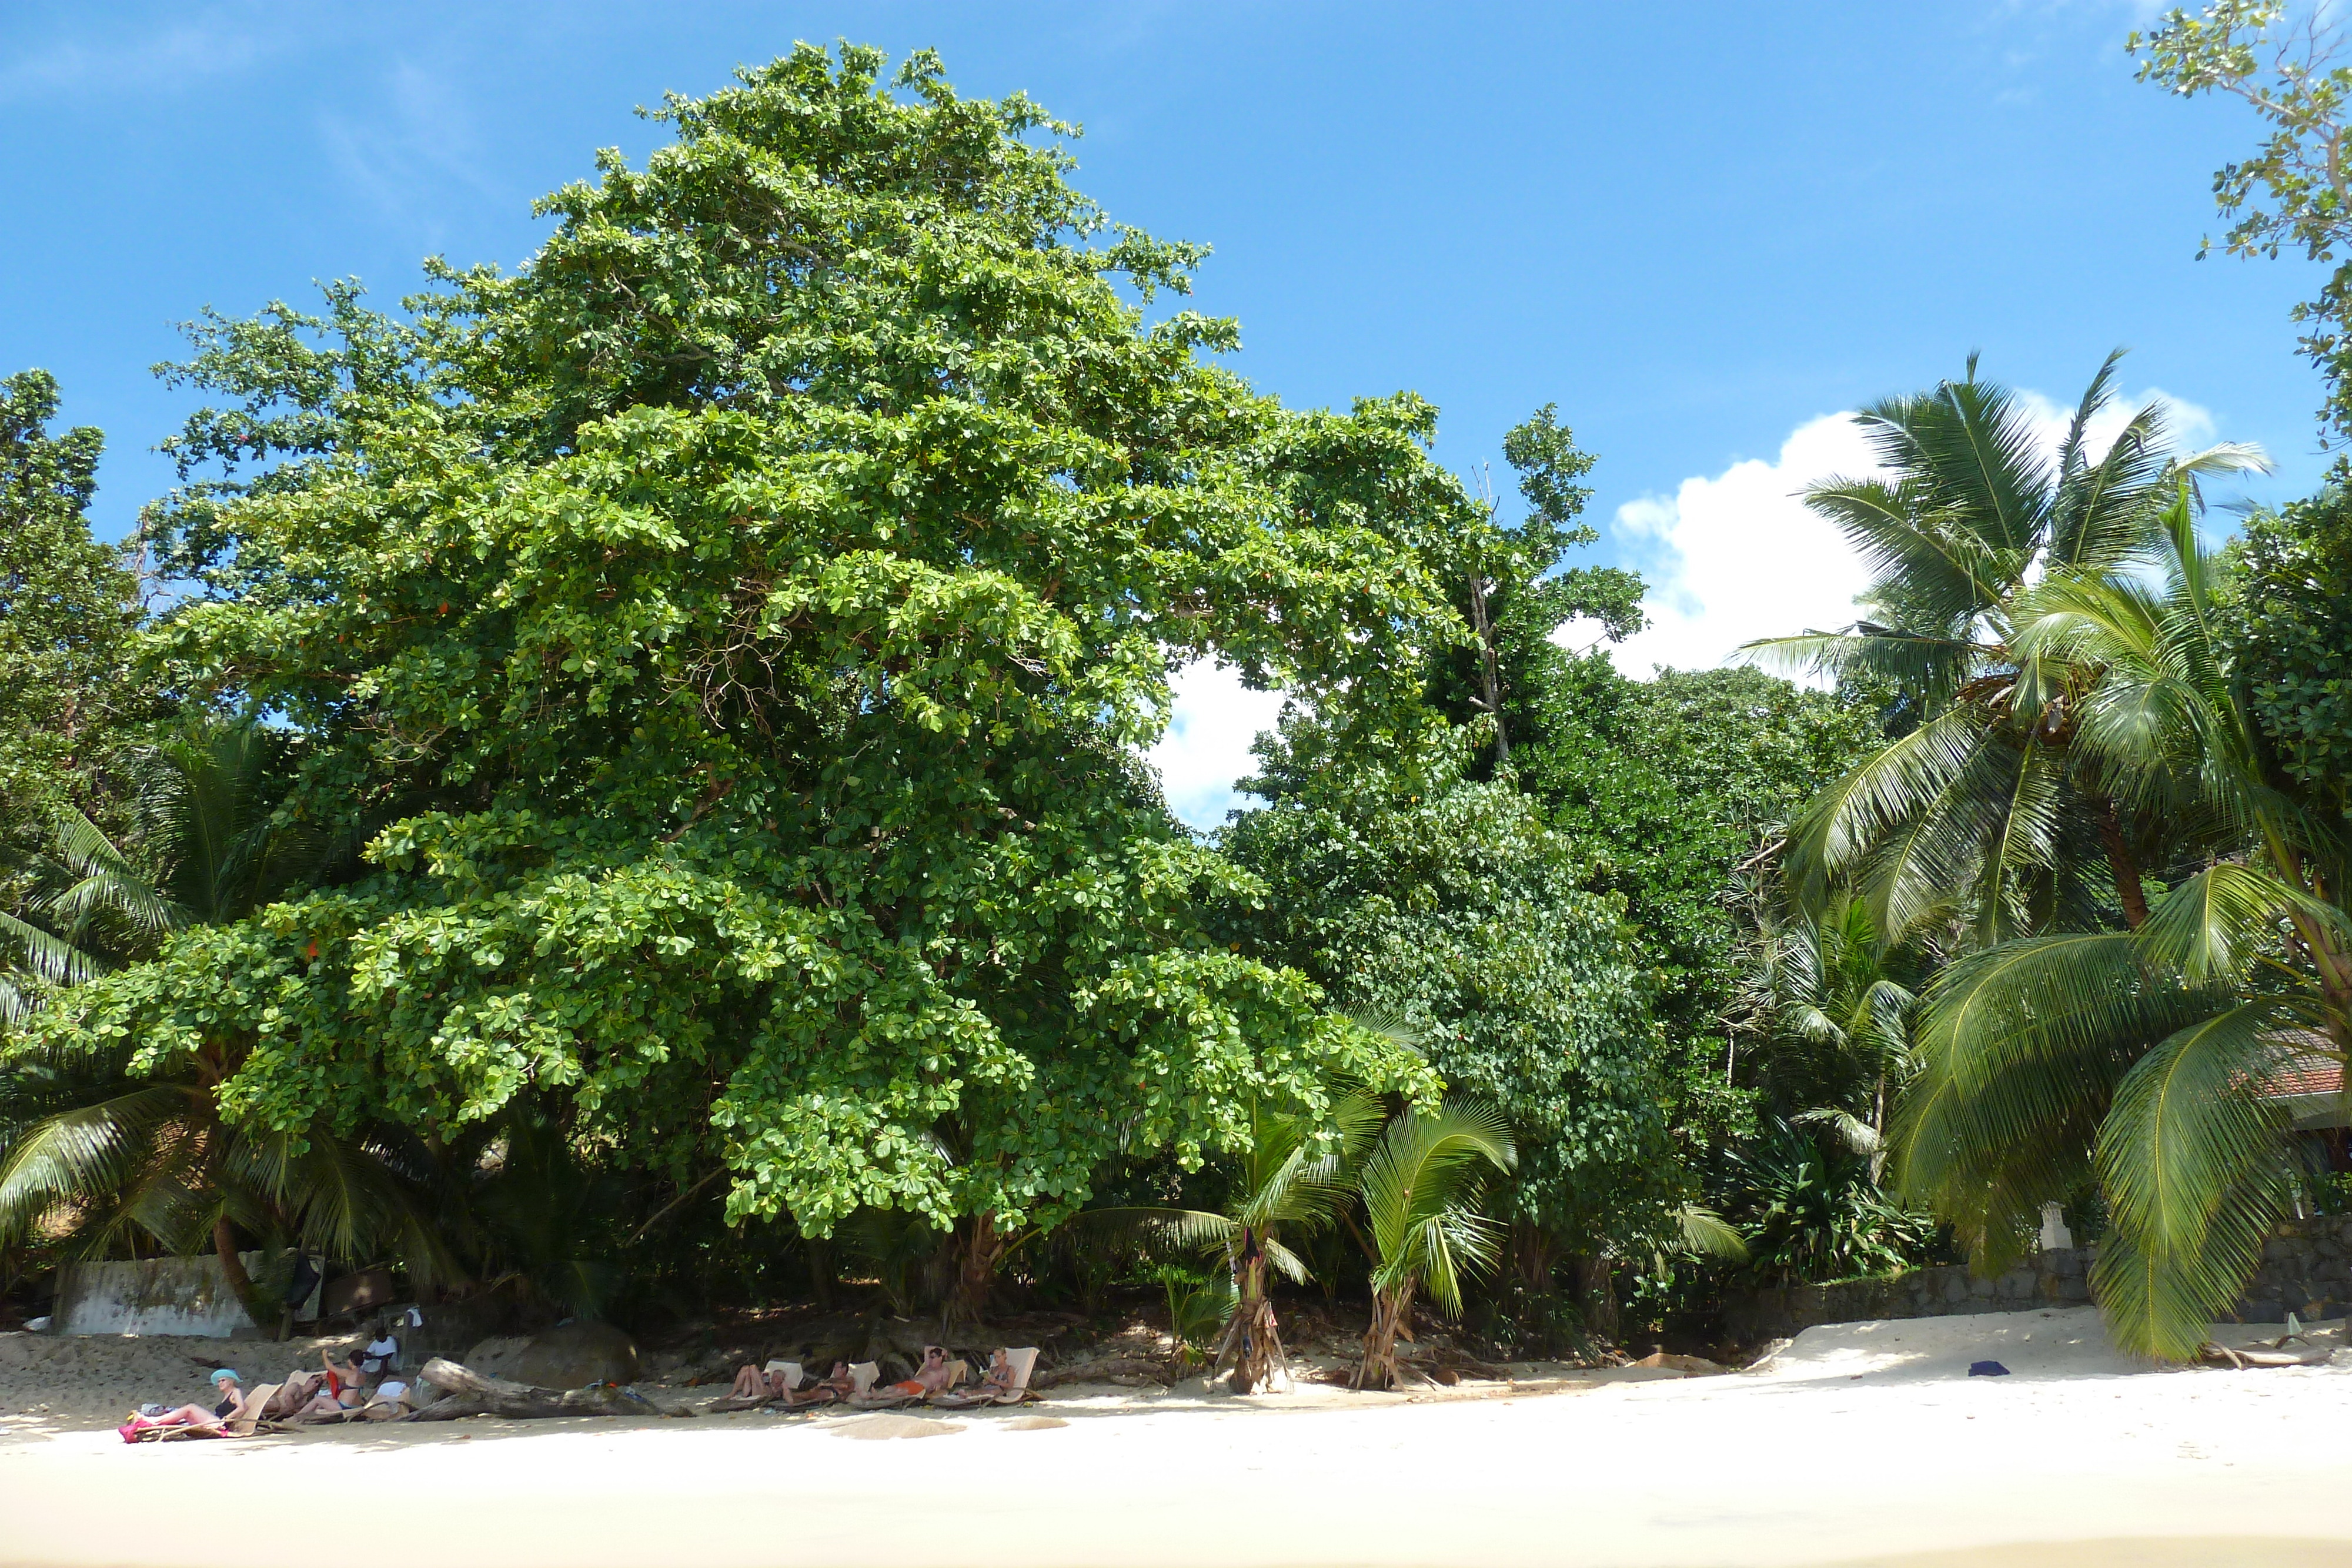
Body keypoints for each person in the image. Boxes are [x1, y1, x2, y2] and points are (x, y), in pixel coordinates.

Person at [875, 1345, 956, 1400]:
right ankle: (871, 1395)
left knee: (901, 1392)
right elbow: (927, 1348)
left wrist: (940, 1385)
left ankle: (881, 1396)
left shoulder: (944, 1370)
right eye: (930, 1358)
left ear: (940, 1358)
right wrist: (941, 1349)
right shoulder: (928, 1366)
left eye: (933, 1357)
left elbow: (945, 1384)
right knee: (889, 1388)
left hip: (920, 1388)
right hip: (911, 1383)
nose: (930, 1360)